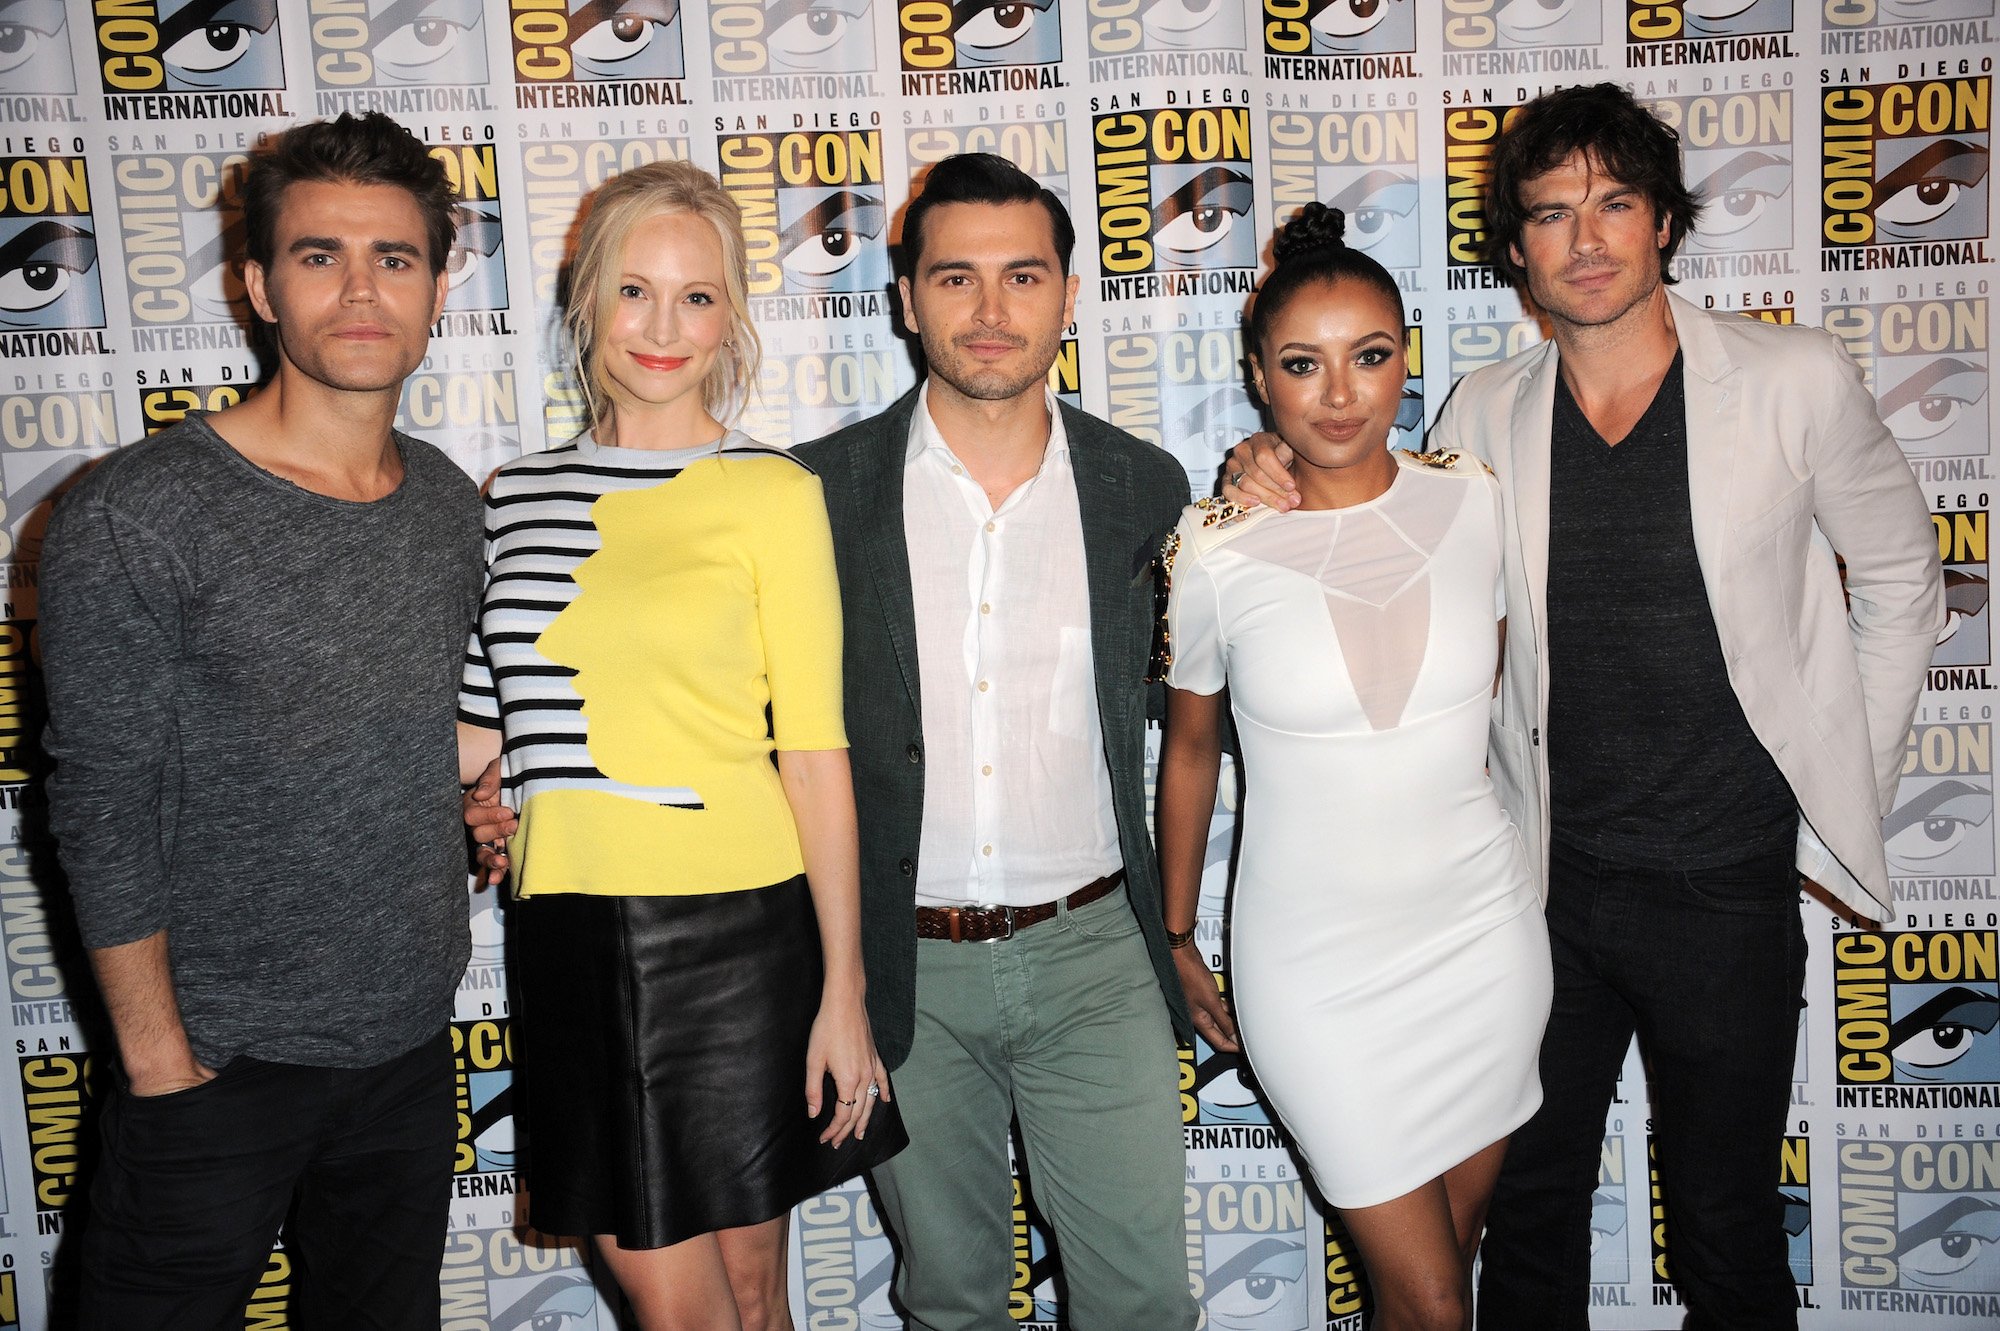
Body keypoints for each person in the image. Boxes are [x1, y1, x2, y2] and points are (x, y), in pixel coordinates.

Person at [1224, 83, 1942, 1328]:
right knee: (1530, 1222)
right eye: (1551, 213)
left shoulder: (1791, 378)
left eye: (1615, 203)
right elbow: (1367, 526)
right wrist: (1267, 468)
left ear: (1662, 220)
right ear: (1515, 247)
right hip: (1534, 888)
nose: (1588, 238)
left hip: (1725, 881)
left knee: (1724, 1226)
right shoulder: (1480, 412)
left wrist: (1838, 800)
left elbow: (1898, 579)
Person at [37, 112, 481, 1328]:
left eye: (394, 258)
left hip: (401, 1052)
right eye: (318, 254)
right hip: (214, 1067)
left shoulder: (446, 503)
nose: (360, 290)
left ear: (438, 286)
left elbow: (405, 728)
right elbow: (97, 801)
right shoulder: (141, 514)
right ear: (257, 285)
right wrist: (159, 1064)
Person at [456, 158, 901, 1331]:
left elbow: (812, 750)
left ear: (731, 317)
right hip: (570, 928)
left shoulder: (769, 492)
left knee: (754, 1292)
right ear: (586, 301)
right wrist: (478, 794)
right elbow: (474, 727)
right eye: (635, 291)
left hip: (744, 930)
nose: (663, 327)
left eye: (697, 296)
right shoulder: (510, 495)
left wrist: (841, 988)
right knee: (673, 1301)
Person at [800, 153, 1196, 1328]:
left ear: (1070, 295)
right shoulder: (815, 492)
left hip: (1096, 961)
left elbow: (1209, 706)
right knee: (954, 1299)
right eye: (955, 277)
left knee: (1141, 1305)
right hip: (895, 967)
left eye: (1021, 276)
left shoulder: (1146, 487)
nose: (988, 311)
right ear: (906, 296)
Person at [1156, 203, 1550, 1331]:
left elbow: (1499, 703)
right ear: (1257, 379)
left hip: (1481, 937)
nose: (1338, 394)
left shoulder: (1475, 499)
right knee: (1432, 1300)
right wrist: (1177, 933)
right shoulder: (1214, 546)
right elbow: (1189, 748)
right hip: (1314, 968)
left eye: (1368, 356)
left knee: (1437, 1277)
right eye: (1302, 365)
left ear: (1404, 360)